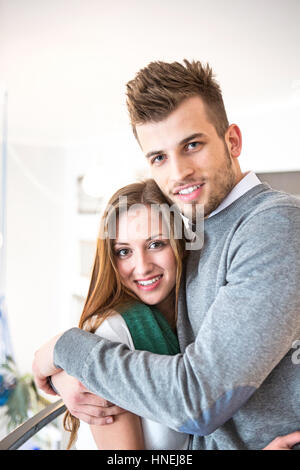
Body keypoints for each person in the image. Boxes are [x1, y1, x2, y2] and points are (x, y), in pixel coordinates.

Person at [33, 59, 300, 450]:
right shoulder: (199, 233)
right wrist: (68, 377)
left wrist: (64, 348)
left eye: (192, 145)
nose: (178, 173)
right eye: (159, 157)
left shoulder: (273, 224)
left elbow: (197, 401)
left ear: (232, 141)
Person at [62, 179, 189, 449]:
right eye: (124, 251)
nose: (141, 267)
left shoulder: (193, 320)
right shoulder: (112, 332)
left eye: (156, 244)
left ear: (180, 243)